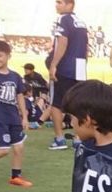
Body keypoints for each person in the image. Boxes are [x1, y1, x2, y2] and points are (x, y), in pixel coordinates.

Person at [46, 0, 88, 150]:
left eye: (60, 2)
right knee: (77, 103)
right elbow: (85, 47)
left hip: (65, 67)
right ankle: (78, 139)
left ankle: (59, 139)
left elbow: (62, 42)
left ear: (70, 4)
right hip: (80, 67)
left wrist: (53, 64)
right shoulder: (81, 22)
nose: (57, 5)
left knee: (56, 103)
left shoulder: (63, 19)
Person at [0, 40, 31, 187]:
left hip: (13, 117)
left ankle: (16, 177)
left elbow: (19, 95)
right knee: (4, 150)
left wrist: (24, 117)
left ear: (8, 56)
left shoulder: (15, 76)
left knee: (19, 147)